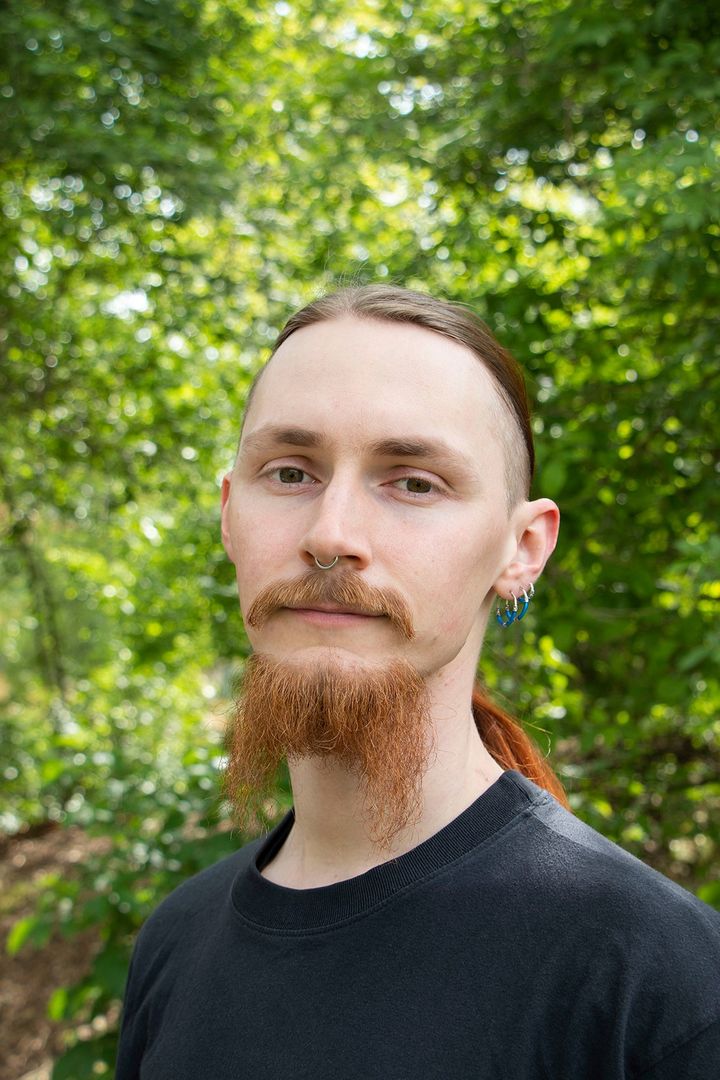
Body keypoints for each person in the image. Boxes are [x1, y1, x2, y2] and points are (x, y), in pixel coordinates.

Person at [116, 285, 720, 1079]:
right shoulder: (174, 942)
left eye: (412, 483)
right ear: (230, 516)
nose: (330, 534)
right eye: (291, 472)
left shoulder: (659, 982)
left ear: (522, 550)